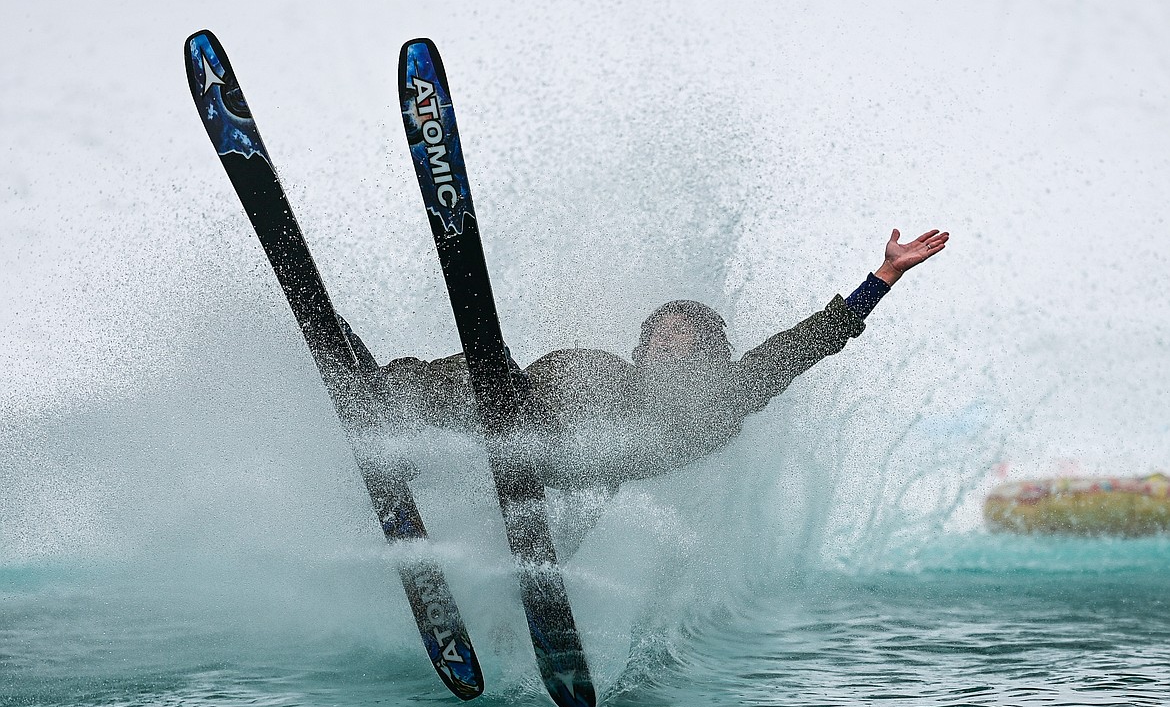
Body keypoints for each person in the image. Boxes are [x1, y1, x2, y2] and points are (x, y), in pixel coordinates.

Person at [343, 227, 948, 553]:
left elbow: (806, 342)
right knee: (489, 371)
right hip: (538, 425)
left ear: (708, 350)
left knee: (552, 383)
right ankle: (387, 402)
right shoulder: (617, 376)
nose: (664, 338)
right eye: (656, 331)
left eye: (680, 333)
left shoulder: (730, 392)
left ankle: (459, 413)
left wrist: (884, 275)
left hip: (584, 455)